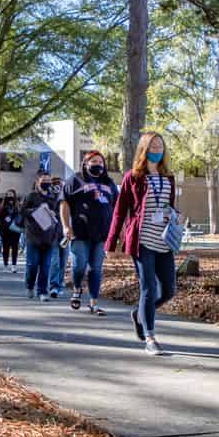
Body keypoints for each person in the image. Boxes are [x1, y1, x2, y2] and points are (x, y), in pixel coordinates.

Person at [105, 132, 177, 356]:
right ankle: (150, 338)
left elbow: (170, 207)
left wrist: (176, 215)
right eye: (153, 146)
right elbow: (119, 211)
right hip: (142, 240)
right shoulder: (132, 177)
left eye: (160, 146)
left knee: (169, 290)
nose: (158, 149)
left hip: (163, 240)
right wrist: (111, 244)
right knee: (148, 287)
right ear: (144, 149)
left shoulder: (169, 177)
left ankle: (139, 314)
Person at [61, 151, 118, 315]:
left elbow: (117, 207)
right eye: (94, 160)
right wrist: (66, 226)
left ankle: (94, 303)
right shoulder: (75, 179)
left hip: (102, 234)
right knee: (79, 266)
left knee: (96, 269)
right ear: (86, 163)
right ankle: (77, 289)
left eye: (101, 161)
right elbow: (64, 203)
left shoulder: (109, 182)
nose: (98, 163)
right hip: (80, 233)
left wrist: (118, 230)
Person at [22, 171, 60, 301]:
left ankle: (42, 291)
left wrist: (53, 213)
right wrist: (35, 211)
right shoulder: (31, 196)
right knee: (32, 265)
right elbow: (22, 211)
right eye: (44, 180)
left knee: (46, 267)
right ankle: (29, 285)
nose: (46, 183)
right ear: (38, 182)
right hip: (33, 237)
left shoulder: (53, 197)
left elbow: (58, 214)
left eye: (48, 180)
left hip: (49, 238)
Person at [47, 175, 68, 297]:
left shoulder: (67, 199)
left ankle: (59, 284)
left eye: (60, 184)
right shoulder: (49, 199)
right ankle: (53, 286)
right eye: (55, 184)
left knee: (63, 262)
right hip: (52, 235)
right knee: (55, 261)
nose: (58, 187)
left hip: (65, 235)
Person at [0, 189, 22, 273]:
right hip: (5, 230)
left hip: (15, 230)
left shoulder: (18, 206)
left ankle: (14, 265)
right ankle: (5, 265)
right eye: (8, 194)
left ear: (14, 195)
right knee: (5, 248)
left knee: (15, 248)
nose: (9, 196)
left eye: (11, 194)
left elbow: (21, 216)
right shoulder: (1, 206)